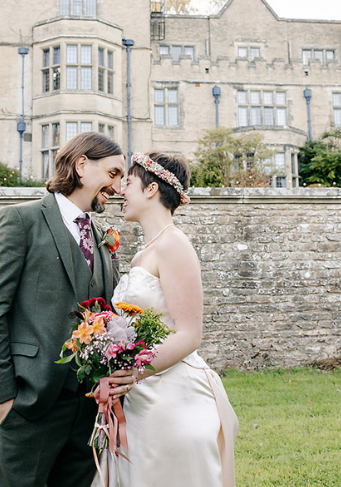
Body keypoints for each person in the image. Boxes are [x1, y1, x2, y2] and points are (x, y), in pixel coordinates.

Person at [0, 132, 134, 487]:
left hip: (88, 407)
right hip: (30, 400)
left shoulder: (101, 236)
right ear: (81, 166)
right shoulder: (20, 221)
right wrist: (5, 398)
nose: (119, 186)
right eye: (113, 174)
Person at [100, 152, 238, 487]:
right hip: (139, 396)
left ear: (150, 190)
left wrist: (135, 371)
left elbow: (189, 334)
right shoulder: (144, 252)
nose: (120, 191)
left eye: (128, 183)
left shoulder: (175, 245)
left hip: (172, 398)